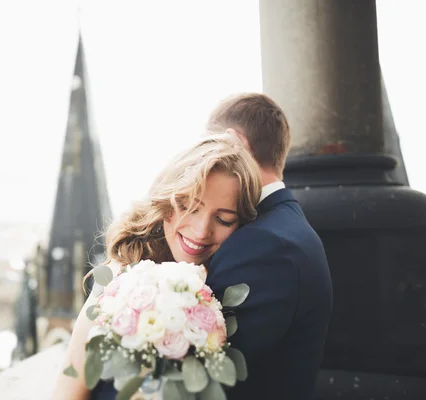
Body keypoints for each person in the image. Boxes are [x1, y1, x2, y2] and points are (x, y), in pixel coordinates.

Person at [53, 134, 263, 400]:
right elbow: (68, 387)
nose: (201, 232)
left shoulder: (226, 287)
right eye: (188, 207)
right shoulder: (124, 276)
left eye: (223, 219)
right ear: (166, 201)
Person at [206, 93, 333, 399]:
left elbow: (210, 370)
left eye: (209, 148)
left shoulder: (263, 245)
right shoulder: (283, 227)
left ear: (234, 141)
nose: (204, 164)